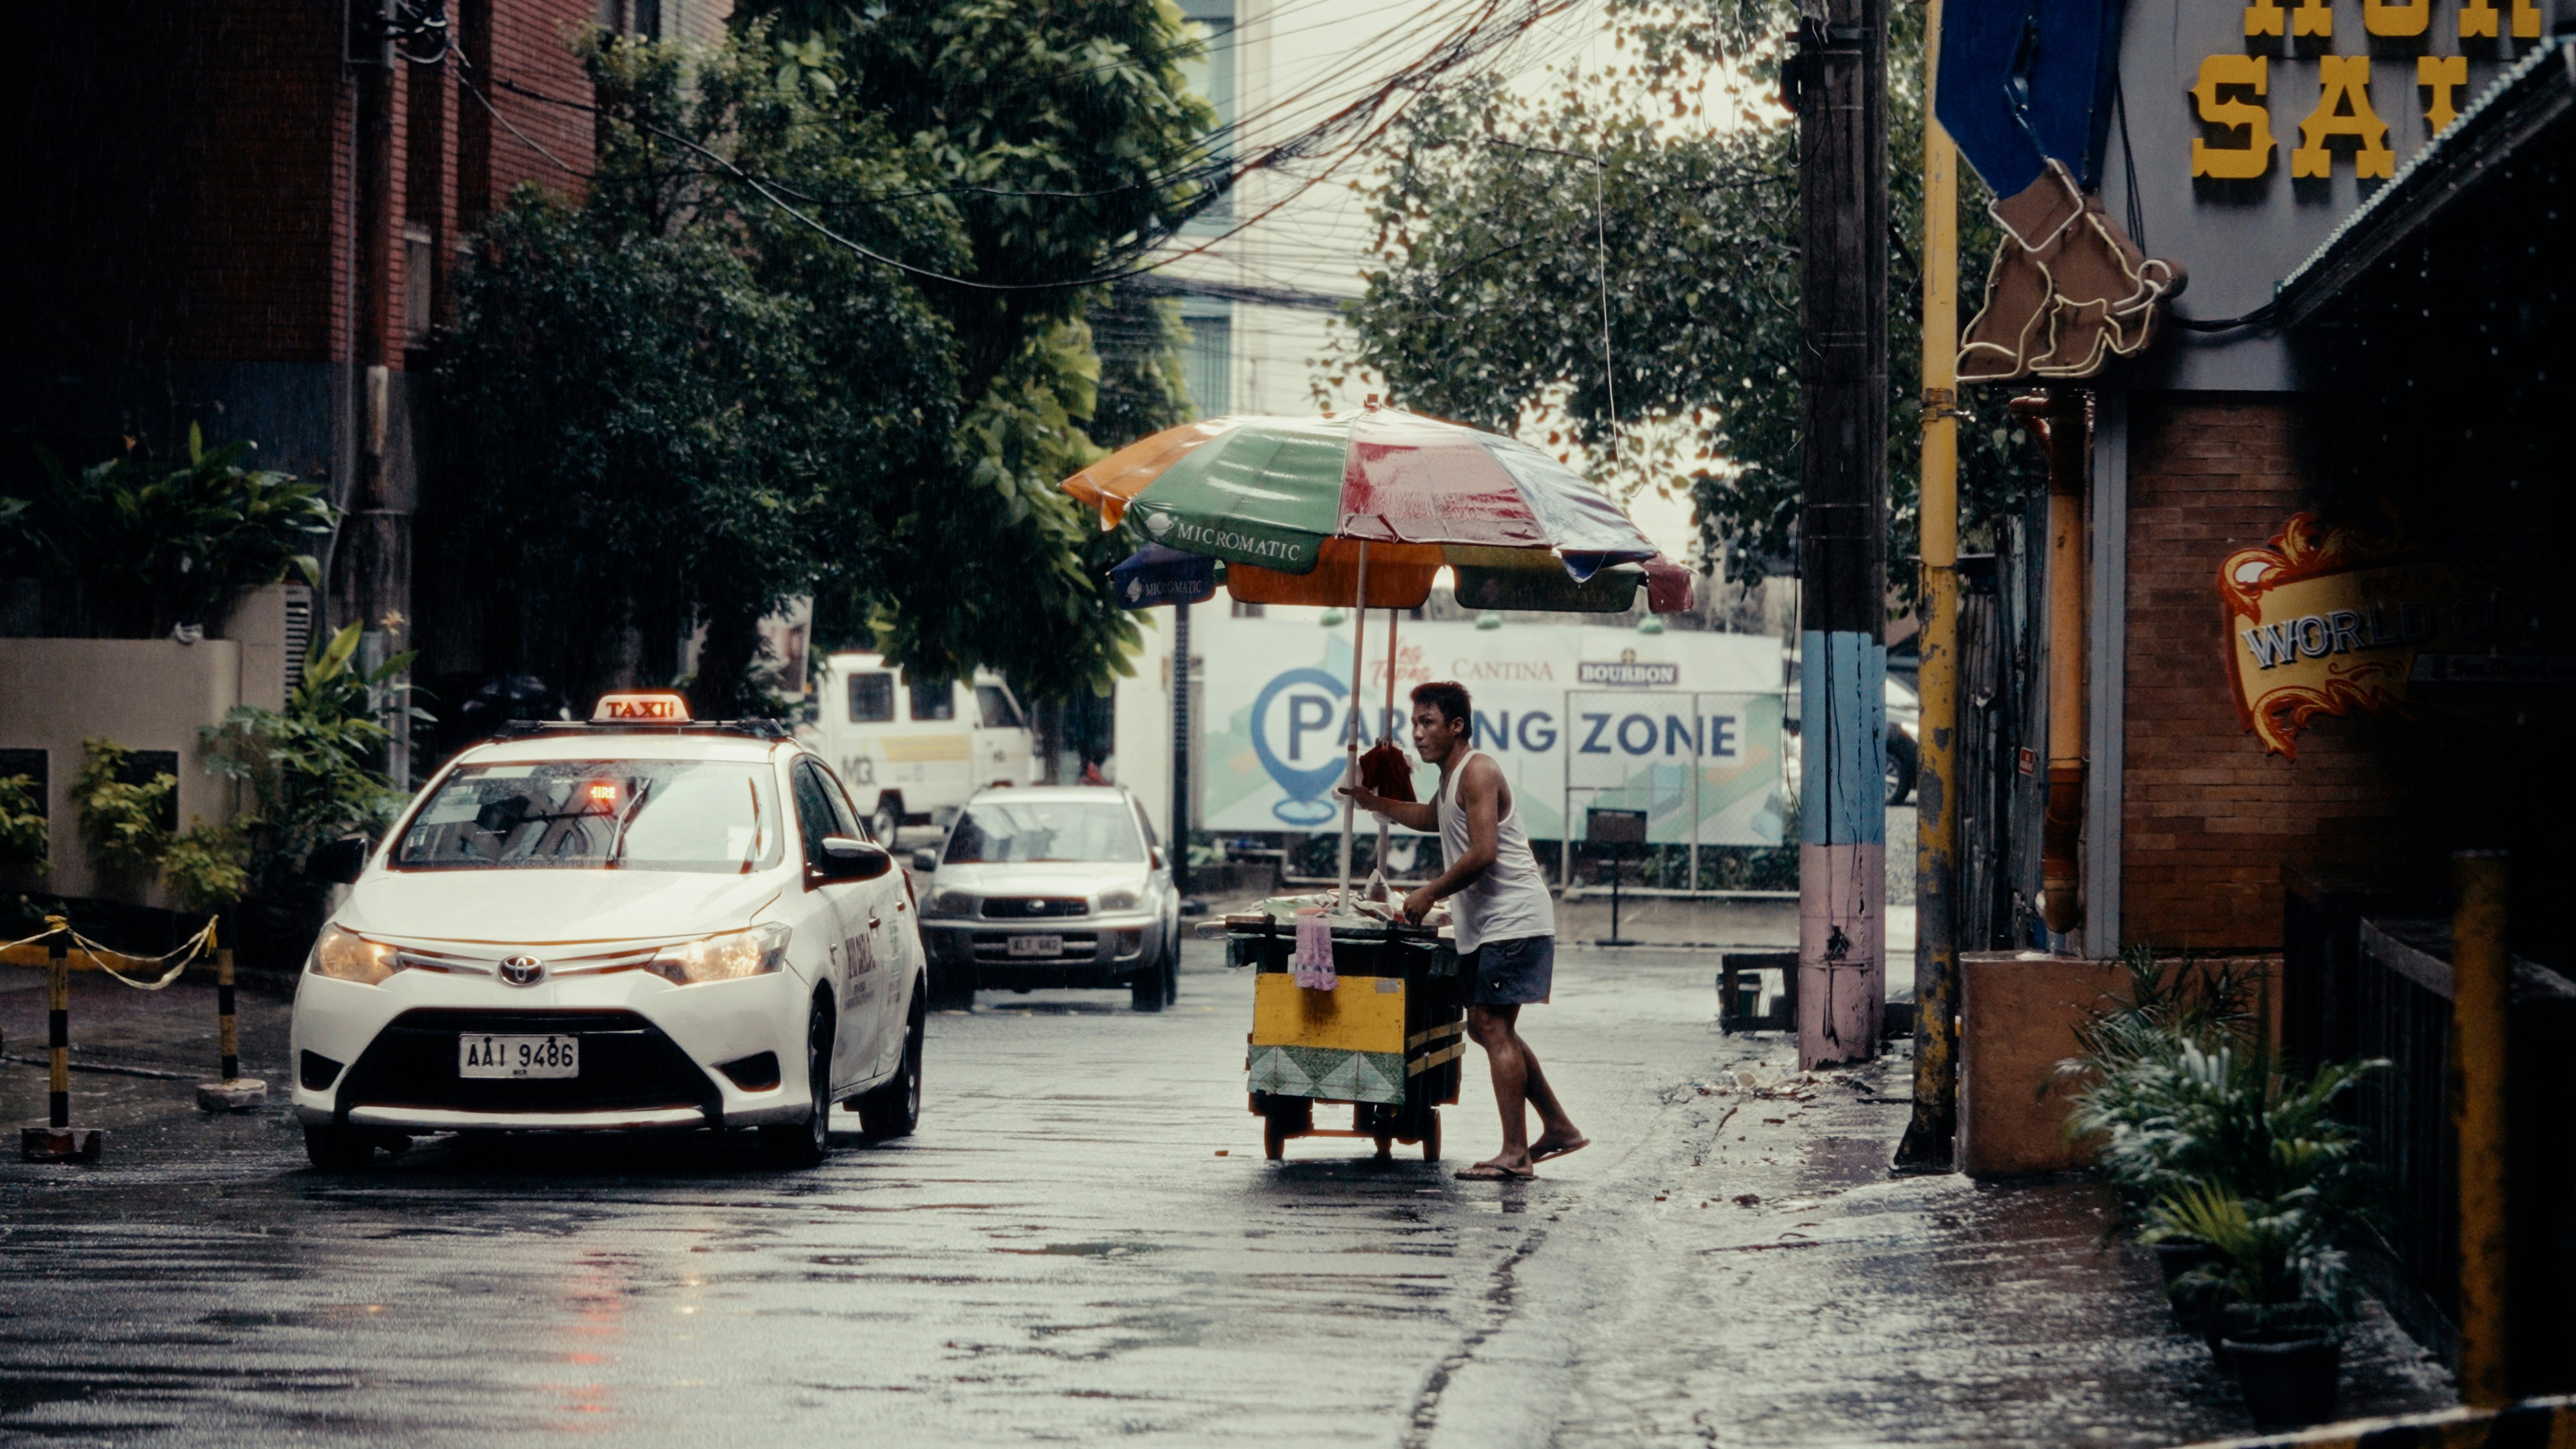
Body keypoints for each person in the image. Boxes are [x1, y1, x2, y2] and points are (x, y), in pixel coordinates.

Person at [1342, 680, 1587, 1181]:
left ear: (1456, 726)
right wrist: (1373, 802)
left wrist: (1429, 892)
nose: (1418, 733)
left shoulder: (1478, 770)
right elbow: (1430, 817)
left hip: (1513, 919)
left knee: (1492, 1026)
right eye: (1415, 722)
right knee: (1486, 1026)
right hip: (1491, 923)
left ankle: (1515, 1154)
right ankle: (1559, 1127)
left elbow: (1484, 853)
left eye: (1428, 722)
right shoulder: (1452, 777)